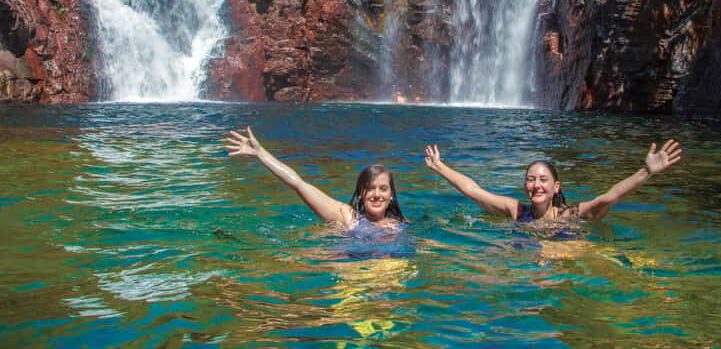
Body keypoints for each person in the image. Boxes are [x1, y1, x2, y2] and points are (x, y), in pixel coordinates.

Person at [423, 139, 682, 224]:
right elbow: (473, 190)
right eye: (530, 180)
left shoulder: (571, 215)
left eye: (542, 180)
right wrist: (439, 166)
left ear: (556, 187)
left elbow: (610, 197)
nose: (536, 185)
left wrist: (646, 172)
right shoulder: (517, 211)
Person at [224, 127, 406, 231]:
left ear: (391, 195)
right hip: (352, 274)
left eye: (383, 189)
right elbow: (297, 183)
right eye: (370, 188)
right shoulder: (347, 217)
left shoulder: (400, 226)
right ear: (361, 193)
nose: (377, 194)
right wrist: (261, 154)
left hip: (387, 276)